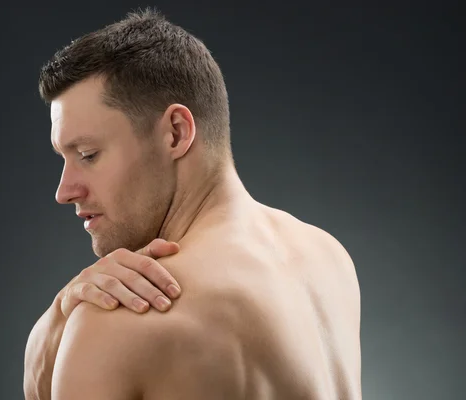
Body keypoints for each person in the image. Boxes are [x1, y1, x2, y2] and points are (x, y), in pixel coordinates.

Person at [24, 8, 362, 400]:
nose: (64, 191)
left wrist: (57, 332)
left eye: (87, 154)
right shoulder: (328, 257)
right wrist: (57, 318)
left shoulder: (120, 318)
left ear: (176, 133)